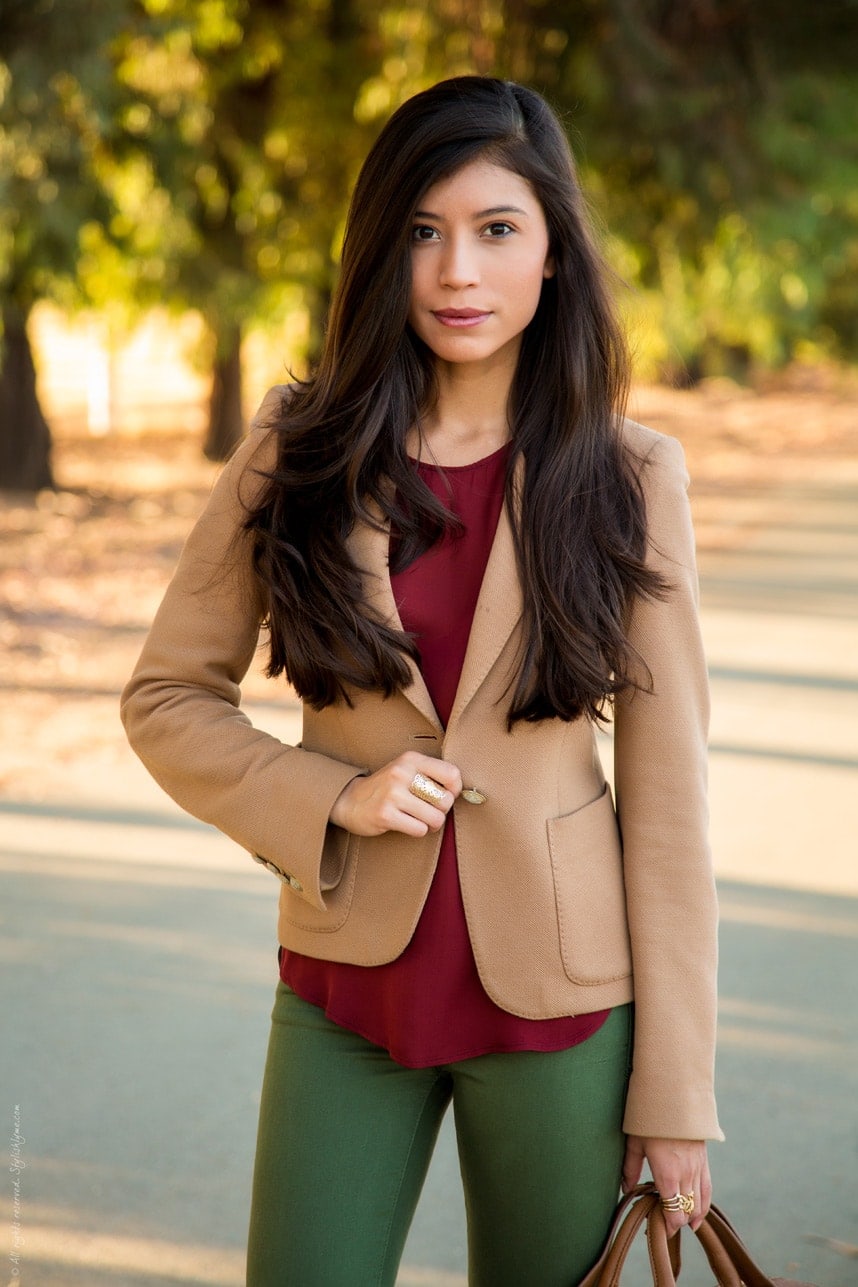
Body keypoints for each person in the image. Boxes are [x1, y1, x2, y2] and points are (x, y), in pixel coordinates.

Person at [121, 75, 722, 1287]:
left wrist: (677, 1098)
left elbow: (668, 812)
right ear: (379, 250)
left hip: (562, 1012)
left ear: (553, 252)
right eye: (422, 232)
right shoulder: (296, 453)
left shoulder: (629, 475)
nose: (458, 272)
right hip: (347, 991)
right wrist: (326, 797)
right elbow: (166, 699)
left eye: (498, 230)